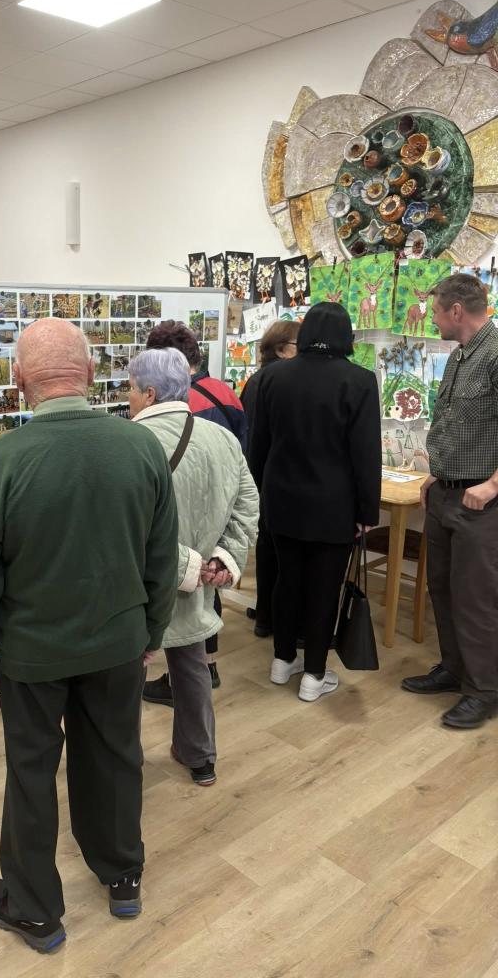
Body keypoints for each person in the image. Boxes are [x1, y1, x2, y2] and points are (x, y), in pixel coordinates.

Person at [0, 318, 178, 953]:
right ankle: (123, 874)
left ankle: (34, 911)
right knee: (116, 756)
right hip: (118, 643)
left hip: (32, 654)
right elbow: (162, 559)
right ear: (91, 372)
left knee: (31, 772)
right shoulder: (141, 450)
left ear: (20, 378)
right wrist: (151, 632)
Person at [129, 348, 258, 786]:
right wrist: (223, 559)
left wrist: (188, 564)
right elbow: (248, 504)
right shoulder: (222, 439)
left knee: (128, 674)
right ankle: (199, 756)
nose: (128, 397)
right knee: (191, 666)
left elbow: (126, 527)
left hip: (139, 586)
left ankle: (125, 760)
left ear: (149, 394)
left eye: (131, 388)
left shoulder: (130, 443)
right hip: (199, 583)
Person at [248, 303, 381, 702]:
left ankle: (282, 660)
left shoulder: (272, 376)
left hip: (280, 499)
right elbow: (365, 454)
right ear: (346, 335)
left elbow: (258, 446)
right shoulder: (359, 380)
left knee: (286, 580)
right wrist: (367, 511)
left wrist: (257, 496)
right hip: (333, 504)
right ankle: (314, 675)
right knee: (324, 588)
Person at [402, 273, 498, 728]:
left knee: (475, 599)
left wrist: (493, 484)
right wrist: (436, 475)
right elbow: (457, 424)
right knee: (441, 587)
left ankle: (484, 691)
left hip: (481, 501)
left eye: (436, 312)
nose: (433, 320)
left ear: (456, 310)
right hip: (446, 492)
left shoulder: (495, 353)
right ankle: (454, 669)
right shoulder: (460, 355)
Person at [143, 318, 246, 699]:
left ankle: (186, 674)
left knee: (186, 600)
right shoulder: (225, 391)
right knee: (208, 587)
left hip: (183, 518)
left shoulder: (184, 406)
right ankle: (208, 665)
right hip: (221, 505)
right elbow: (242, 451)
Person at [239, 320, 300, 638]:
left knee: (268, 548)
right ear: (281, 349)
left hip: (258, 474)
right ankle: (274, 618)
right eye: (298, 346)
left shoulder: (256, 380)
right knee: (279, 551)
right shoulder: (280, 381)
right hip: (274, 478)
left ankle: (265, 615)